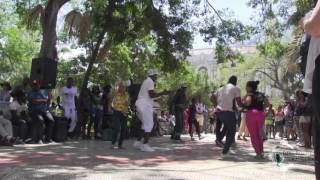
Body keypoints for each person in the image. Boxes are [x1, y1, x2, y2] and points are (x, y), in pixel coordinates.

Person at [133, 69, 170, 152]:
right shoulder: (150, 81)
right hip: (144, 105)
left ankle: (138, 143)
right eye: (156, 75)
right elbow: (151, 94)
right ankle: (145, 145)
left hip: (139, 104)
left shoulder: (145, 81)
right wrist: (163, 93)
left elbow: (149, 95)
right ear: (152, 75)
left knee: (145, 124)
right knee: (149, 124)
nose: (156, 77)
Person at [212, 76, 243, 155]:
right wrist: (245, 106)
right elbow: (239, 102)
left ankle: (219, 139)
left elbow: (212, 97)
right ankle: (225, 149)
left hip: (219, 112)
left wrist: (216, 105)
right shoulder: (236, 88)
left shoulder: (221, 88)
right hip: (228, 112)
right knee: (232, 131)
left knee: (226, 126)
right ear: (235, 81)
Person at [243, 81, 269, 159]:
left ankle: (258, 153)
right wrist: (261, 108)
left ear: (250, 87)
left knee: (253, 135)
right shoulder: (261, 94)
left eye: (246, 86)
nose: (246, 88)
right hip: (261, 114)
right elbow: (267, 104)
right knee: (259, 134)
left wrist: (243, 102)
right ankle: (261, 152)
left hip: (251, 114)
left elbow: (247, 102)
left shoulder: (249, 94)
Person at [111, 81, 129, 149]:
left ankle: (120, 144)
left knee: (124, 129)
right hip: (116, 112)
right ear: (118, 87)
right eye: (121, 86)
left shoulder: (126, 94)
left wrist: (127, 103)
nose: (122, 88)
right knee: (117, 128)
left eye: (123, 87)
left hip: (124, 113)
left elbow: (128, 104)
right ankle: (113, 143)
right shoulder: (115, 93)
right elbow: (111, 99)